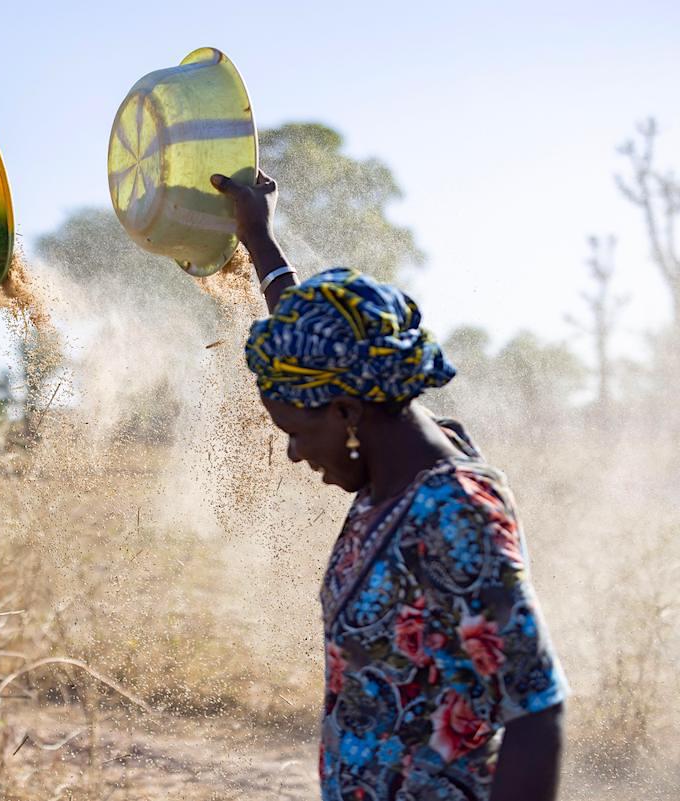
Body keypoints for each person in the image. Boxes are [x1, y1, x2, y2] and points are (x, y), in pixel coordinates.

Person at [212, 171, 568, 801]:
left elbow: (536, 712)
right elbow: (320, 347)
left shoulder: (452, 512)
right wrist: (259, 241)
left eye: (296, 431)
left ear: (348, 412)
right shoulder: (389, 469)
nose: (294, 454)